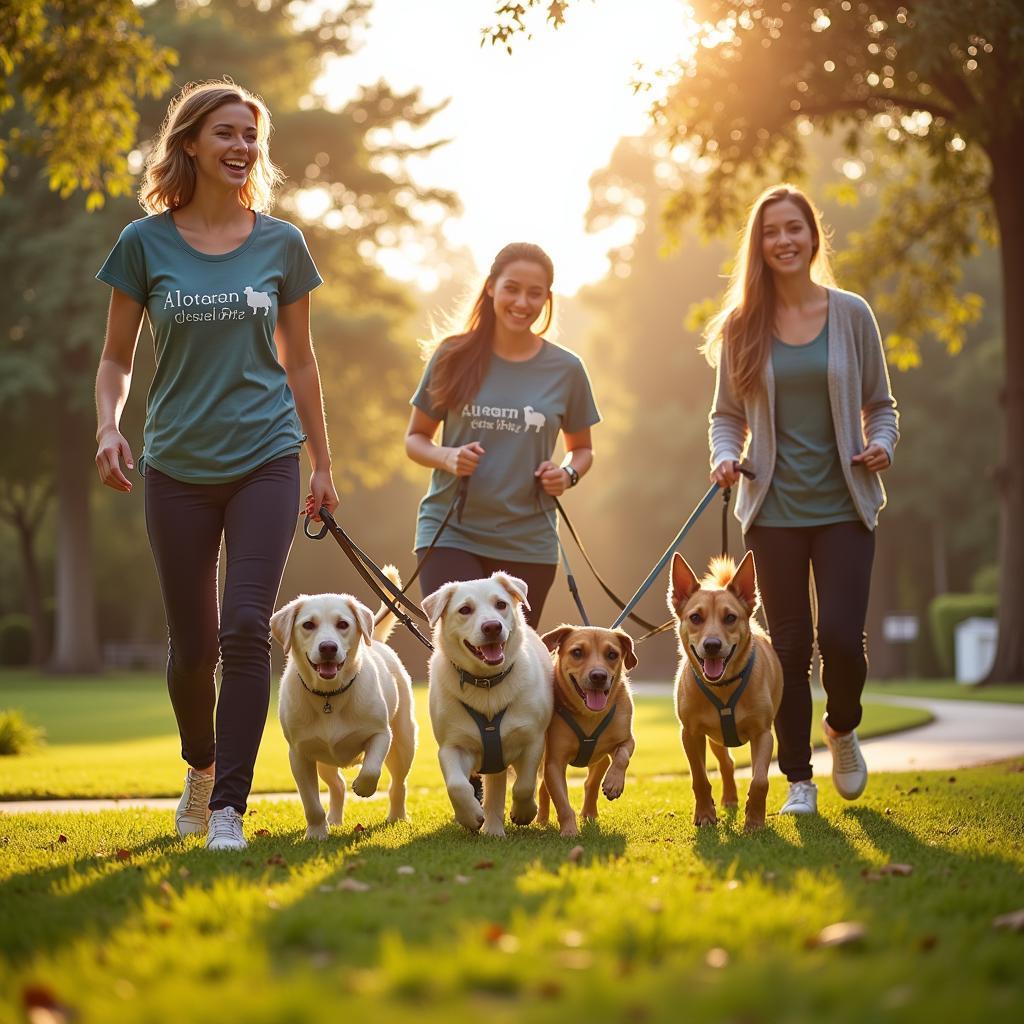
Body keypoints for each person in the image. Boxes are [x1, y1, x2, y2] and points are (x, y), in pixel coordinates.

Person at [94, 80, 338, 850]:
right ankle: (200, 769)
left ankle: (229, 806)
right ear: (191, 142)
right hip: (175, 465)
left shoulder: (282, 244)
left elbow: (302, 365)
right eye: (226, 134)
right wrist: (108, 426)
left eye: (251, 138)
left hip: (267, 457)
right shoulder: (143, 243)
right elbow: (115, 360)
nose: (241, 149)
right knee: (192, 647)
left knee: (243, 628)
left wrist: (321, 464)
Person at [703, 184, 898, 815]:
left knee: (841, 637)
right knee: (786, 647)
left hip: (845, 505)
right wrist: (724, 455)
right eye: (770, 232)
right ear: (758, 246)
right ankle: (797, 781)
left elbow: (881, 405)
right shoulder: (741, 327)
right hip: (773, 510)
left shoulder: (851, 314)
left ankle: (842, 726)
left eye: (794, 228)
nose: (783, 240)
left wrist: (882, 445)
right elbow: (726, 415)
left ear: (814, 236)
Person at [405, 242, 600, 631]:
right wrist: (448, 457)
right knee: (459, 650)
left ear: (547, 297)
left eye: (535, 293)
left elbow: (582, 450)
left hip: (528, 541)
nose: (522, 302)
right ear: (491, 286)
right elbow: (416, 439)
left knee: (511, 663)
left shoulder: (567, 368)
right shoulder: (451, 355)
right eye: (512, 288)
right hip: (450, 532)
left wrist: (567, 475)